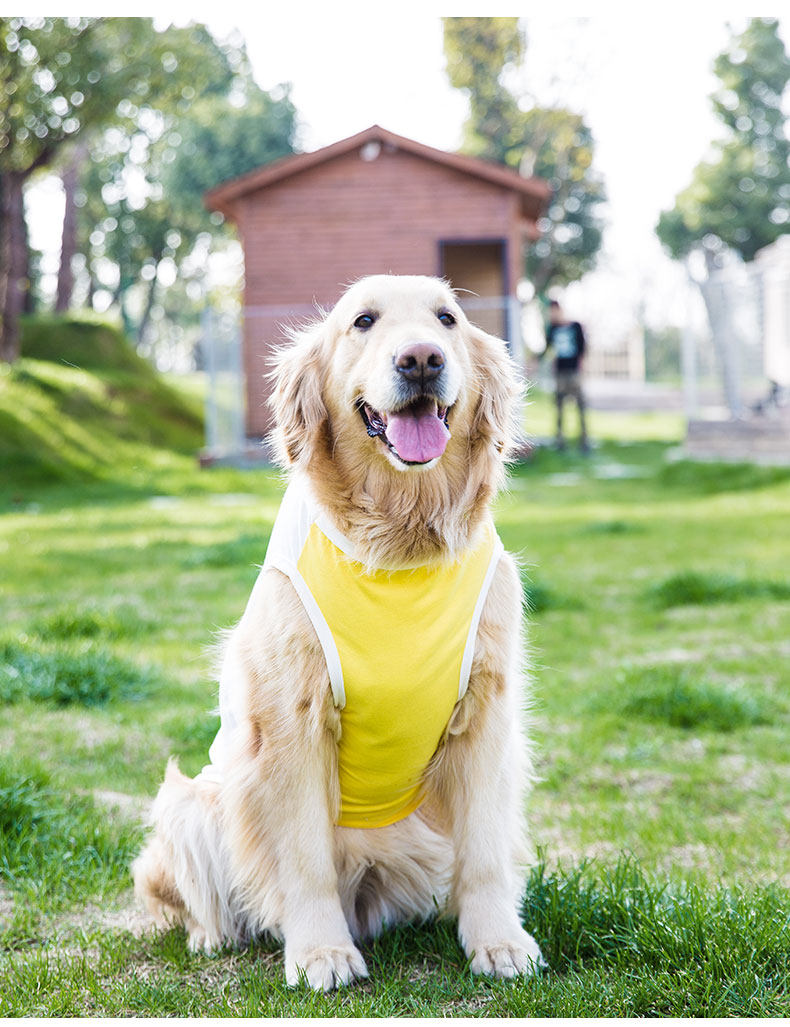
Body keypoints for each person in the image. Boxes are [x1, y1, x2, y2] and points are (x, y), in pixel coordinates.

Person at [542, 298, 589, 452]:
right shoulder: (552, 329)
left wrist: (581, 368)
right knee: (559, 407)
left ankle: (584, 441)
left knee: (580, 406)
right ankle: (560, 441)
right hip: (560, 374)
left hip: (574, 372)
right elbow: (547, 349)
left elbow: (583, 349)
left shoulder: (575, 327)